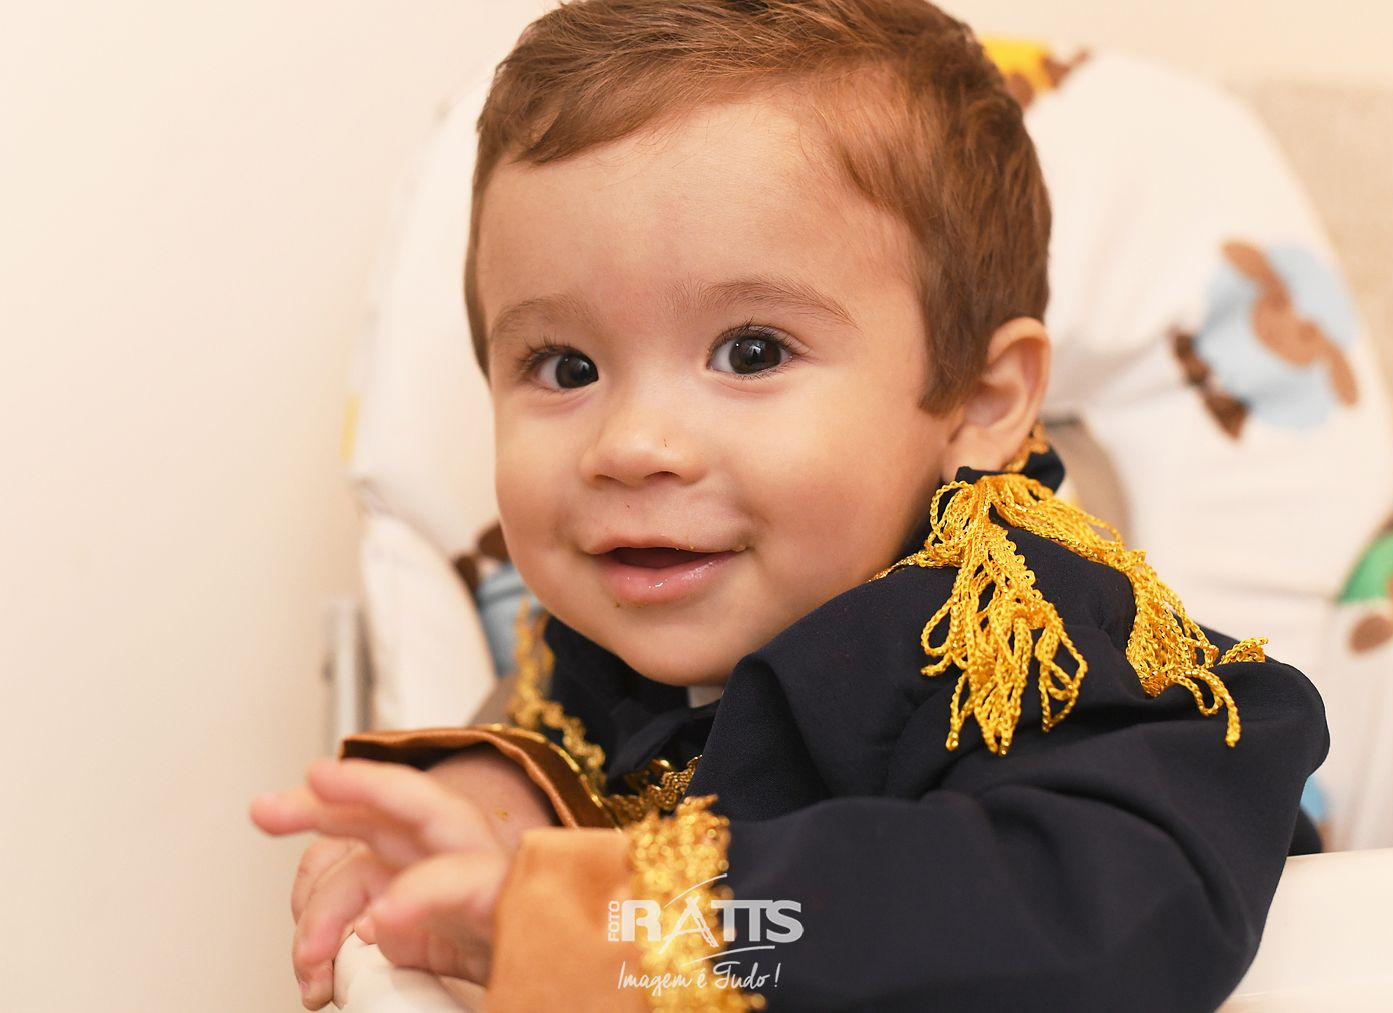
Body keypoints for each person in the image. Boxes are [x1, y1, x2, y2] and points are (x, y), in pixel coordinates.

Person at [251, 2, 1327, 1009]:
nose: (631, 445)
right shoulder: (603, 635)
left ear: (978, 401)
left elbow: (1100, 909)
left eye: (751, 352)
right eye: (566, 365)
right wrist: (494, 794)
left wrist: (613, 920)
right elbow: (580, 756)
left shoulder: (1026, 640)